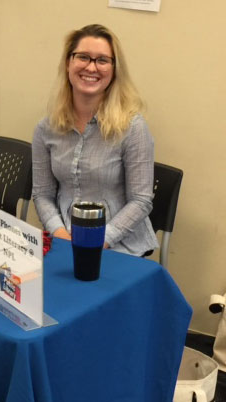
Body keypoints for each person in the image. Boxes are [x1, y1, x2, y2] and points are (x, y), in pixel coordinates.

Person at [32, 24, 159, 256]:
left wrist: (98, 241)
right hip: (64, 240)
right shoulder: (46, 128)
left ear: (114, 69)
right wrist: (59, 234)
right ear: (68, 63)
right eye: (83, 57)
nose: (91, 67)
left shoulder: (133, 128)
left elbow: (141, 201)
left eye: (102, 60)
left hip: (120, 246)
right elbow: (42, 194)